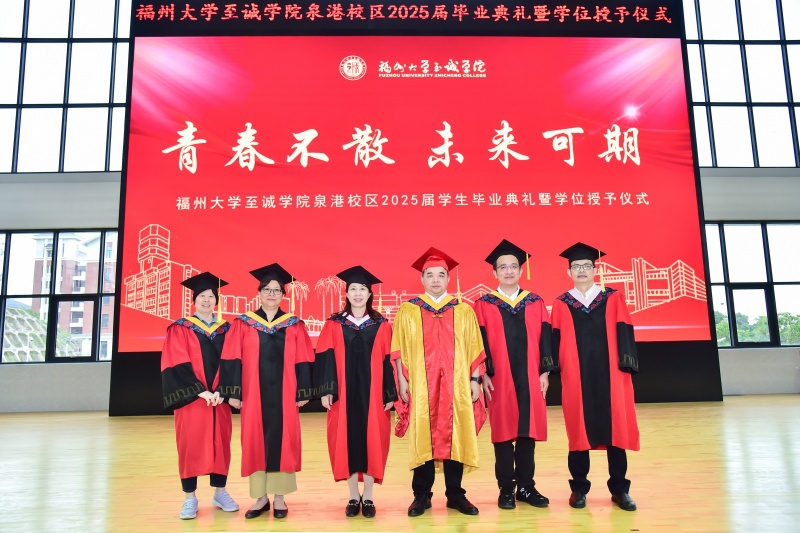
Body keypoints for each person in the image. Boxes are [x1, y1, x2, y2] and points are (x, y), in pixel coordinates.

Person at [392, 247, 486, 517]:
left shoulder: (463, 310)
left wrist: (475, 379)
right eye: (430, 275)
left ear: (448, 279)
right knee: (423, 434)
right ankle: (421, 495)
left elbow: (475, 348)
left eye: (441, 275)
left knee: (456, 433)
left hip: (457, 385)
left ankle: (456, 494)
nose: (435, 280)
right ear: (422, 279)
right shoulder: (408, 310)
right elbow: (398, 349)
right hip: (421, 385)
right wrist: (402, 380)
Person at [217, 263, 315, 520]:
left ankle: (280, 497)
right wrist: (233, 392)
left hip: (286, 393)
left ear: (283, 295)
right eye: (267, 290)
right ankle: (260, 497)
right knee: (255, 440)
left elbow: (304, 358)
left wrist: (303, 391)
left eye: (276, 290)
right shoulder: (243, 324)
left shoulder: (294, 324)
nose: (271, 294)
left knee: (284, 441)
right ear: (259, 293)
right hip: (253, 394)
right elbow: (232, 357)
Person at [550, 242, 640, 512]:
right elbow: (555, 339)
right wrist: (554, 369)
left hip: (611, 374)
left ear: (594, 269)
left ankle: (620, 489)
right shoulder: (562, 303)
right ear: (569, 272)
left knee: (616, 430)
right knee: (578, 430)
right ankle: (579, 488)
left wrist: (626, 365)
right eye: (576, 266)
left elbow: (624, 330)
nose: (581, 270)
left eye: (587, 266)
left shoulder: (612, 297)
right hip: (576, 376)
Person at [474, 239, 551, 510]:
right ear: (494, 272)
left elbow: (545, 338)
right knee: (504, 432)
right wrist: (483, 374)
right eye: (503, 267)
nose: (508, 271)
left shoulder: (535, 302)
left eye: (513, 266)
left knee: (528, 432)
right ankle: (506, 488)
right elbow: (478, 342)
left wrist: (545, 371)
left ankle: (526, 487)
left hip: (531, 375)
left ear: (521, 270)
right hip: (499, 377)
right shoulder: (483, 304)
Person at [315, 265, 398, 518]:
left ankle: (369, 496)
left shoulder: (381, 324)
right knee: (346, 440)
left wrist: (389, 393)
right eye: (353, 289)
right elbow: (325, 356)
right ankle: (353, 496)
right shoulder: (334, 324)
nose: (358, 293)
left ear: (369, 293)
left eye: (363, 289)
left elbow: (388, 360)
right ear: (347, 293)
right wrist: (327, 389)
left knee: (374, 440)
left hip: (373, 395)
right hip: (343, 393)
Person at [160, 272, 239, 520]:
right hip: (193, 399)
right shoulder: (180, 328)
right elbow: (175, 362)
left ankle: (220, 492)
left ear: (216, 300)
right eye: (202, 296)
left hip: (219, 399)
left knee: (221, 445)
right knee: (190, 446)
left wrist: (223, 390)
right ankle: (190, 498)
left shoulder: (227, 329)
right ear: (194, 300)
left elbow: (234, 362)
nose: (207, 300)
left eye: (211, 296)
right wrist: (200, 391)